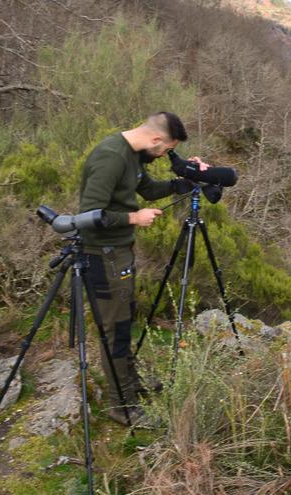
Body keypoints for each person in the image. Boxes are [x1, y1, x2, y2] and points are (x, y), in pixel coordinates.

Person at [78, 111, 209, 424]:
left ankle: (132, 386)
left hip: (120, 250)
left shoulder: (134, 155)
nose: (165, 154)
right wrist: (133, 218)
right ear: (155, 139)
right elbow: (89, 214)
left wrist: (184, 182)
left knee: (124, 321)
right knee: (115, 331)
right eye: (165, 149)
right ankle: (121, 407)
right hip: (102, 254)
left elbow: (148, 190)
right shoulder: (111, 156)